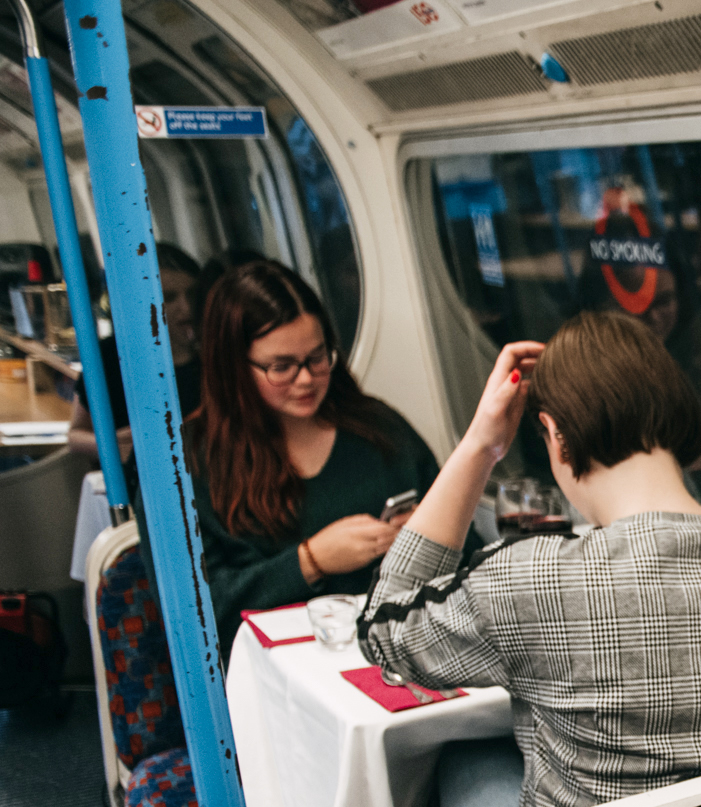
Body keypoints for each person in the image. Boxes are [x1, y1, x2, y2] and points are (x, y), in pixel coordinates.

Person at [360, 311, 701, 807]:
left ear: (555, 435)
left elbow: (383, 631)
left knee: (463, 759)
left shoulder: (530, 580)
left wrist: (480, 446)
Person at [189, 260, 453, 656]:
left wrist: (427, 539)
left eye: (317, 358)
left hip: (396, 648)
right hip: (270, 668)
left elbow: (465, 547)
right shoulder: (190, 465)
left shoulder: (378, 429)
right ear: (234, 369)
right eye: (281, 367)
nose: (306, 379)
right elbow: (201, 612)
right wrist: (310, 562)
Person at [66, 243, 206, 469]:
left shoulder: (213, 353)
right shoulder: (109, 357)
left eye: (191, 294)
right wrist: (112, 445)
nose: (186, 308)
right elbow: (75, 437)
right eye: (169, 297)